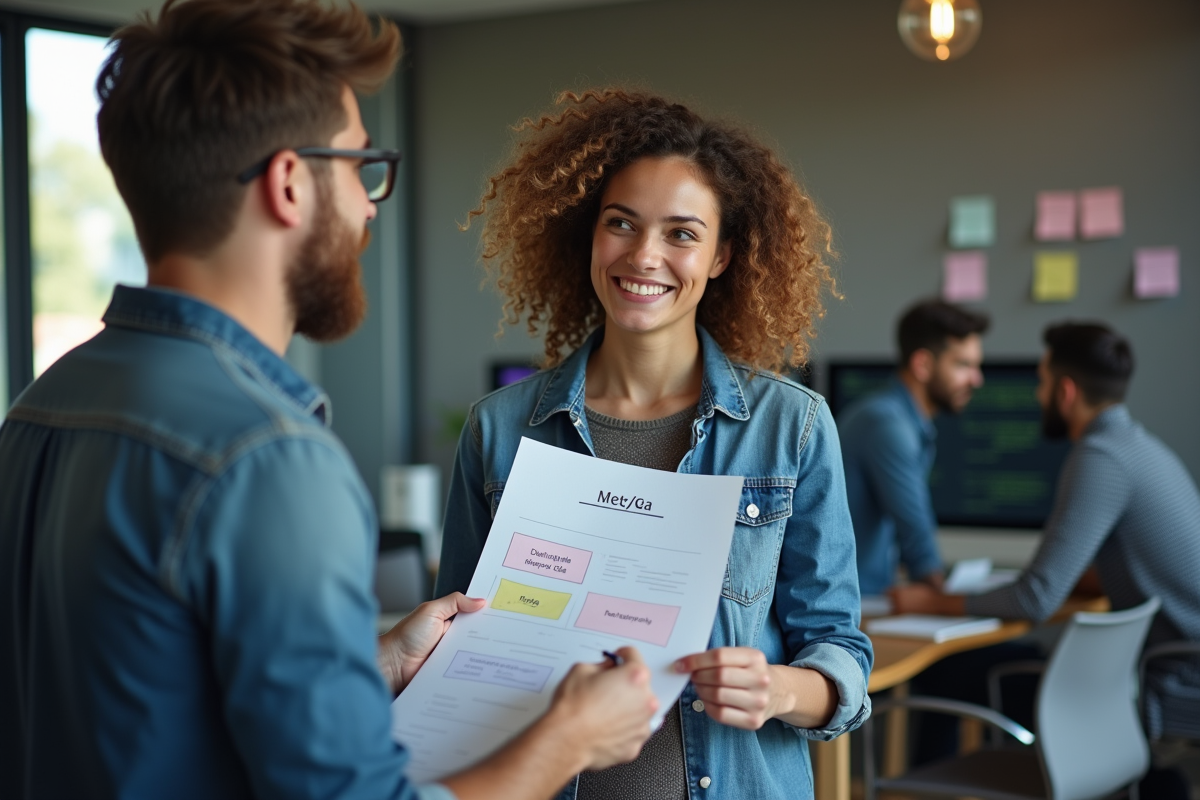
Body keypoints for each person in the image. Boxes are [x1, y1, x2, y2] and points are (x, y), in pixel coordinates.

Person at [0, 3, 660, 799]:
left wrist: (370, 662)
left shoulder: (39, 408)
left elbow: (138, 696)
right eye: (358, 167)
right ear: (287, 184)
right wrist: (568, 738)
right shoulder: (266, 458)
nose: (368, 205)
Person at [434, 88, 873, 800]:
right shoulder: (499, 428)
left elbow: (840, 653)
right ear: (589, 234)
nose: (644, 256)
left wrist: (779, 689)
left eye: (681, 233)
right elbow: (455, 655)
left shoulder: (790, 427)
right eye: (621, 224)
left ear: (723, 255)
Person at [891, 322, 1200, 793]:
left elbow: (1036, 599)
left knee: (950, 670)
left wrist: (927, 602)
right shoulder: (1142, 448)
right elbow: (1125, 569)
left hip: (1168, 685)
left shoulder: (1101, 456)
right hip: (1172, 670)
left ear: (1067, 391)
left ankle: (913, 792)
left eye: (1042, 381)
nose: (1038, 395)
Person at [837, 299, 989, 595]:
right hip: (853, 605)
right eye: (963, 365)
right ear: (922, 365)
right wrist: (940, 595)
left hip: (871, 593)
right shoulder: (887, 424)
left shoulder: (897, 418)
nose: (977, 379)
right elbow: (914, 527)